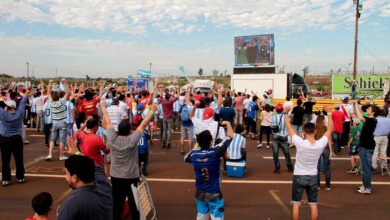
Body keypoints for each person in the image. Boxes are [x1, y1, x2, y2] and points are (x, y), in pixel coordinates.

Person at [101, 100, 157, 220]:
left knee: (117, 204)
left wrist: (103, 108)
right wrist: (153, 110)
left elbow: (108, 122)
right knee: (134, 203)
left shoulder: (112, 138)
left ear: (119, 130)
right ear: (129, 130)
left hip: (116, 176)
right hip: (131, 176)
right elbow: (143, 124)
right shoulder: (132, 140)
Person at [284, 104, 333, 220]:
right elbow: (330, 129)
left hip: (299, 175)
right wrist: (330, 113)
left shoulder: (300, 142)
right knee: (313, 204)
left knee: (296, 204)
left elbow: (289, 128)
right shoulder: (320, 144)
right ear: (315, 132)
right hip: (313, 176)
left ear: (304, 132)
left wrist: (286, 114)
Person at [185, 121, 234, 220]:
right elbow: (230, 136)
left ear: (198, 142)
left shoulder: (193, 154)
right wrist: (228, 124)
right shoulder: (215, 152)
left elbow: (186, 158)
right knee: (217, 217)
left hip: (200, 192)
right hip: (214, 193)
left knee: (201, 215)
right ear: (211, 141)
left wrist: (197, 145)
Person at [57, 155, 113, 220]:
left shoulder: (71, 204)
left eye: (66, 173)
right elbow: (95, 167)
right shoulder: (104, 186)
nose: (65, 176)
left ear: (74, 178)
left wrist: (59, 214)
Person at [0, 90, 28, 186]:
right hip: (17, 138)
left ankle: (6, 179)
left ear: (7, 107)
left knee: (5, 160)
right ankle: (20, 177)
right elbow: (23, 101)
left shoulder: (3, 114)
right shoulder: (19, 113)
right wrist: (27, 91)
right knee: (19, 159)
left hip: (5, 139)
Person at [354, 103, 379, 194]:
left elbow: (361, 117)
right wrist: (357, 106)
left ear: (373, 112)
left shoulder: (371, 121)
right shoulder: (370, 120)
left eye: (369, 109)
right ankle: (365, 186)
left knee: (366, 169)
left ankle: (367, 188)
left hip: (366, 147)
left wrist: (356, 106)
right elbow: (361, 117)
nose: (367, 109)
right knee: (365, 168)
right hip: (365, 146)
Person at [45, 79, 70, 161]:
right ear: (59, 96)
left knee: (52, 139)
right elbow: (68, 92)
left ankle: (50, 154)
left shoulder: (50, 102)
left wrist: (50, 83)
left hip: (54, 123)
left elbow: (48, 93)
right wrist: (65, 82)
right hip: (62, 123)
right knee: (62, 140)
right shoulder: (62, 102)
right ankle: (61, 155)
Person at [271, 104, 293, 173]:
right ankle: (289, 167)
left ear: (276, 110)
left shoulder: (273, 117)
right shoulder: (286, 117)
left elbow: (271, 126)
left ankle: (277, 168)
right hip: (284, 137)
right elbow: (289, 125)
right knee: (287, 153)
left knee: (275, 153)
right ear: (282, 110)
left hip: (275, 136)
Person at [315, 115, 333, 190]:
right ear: (322, 121)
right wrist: (331, 151)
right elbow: (329, 140)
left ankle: (318, 185)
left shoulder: (315, 129)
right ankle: (328, 185)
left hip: (317, 148)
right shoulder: (326, 128)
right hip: (325, 148)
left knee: (317, 168)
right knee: (327, 168)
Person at [371, 109, 390, 173]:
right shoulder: (388, 119)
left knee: (375, 152)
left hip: (376, 137)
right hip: (385, 136)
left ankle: (373, 167)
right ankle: (384, 167)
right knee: (383, 152)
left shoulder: (376, 119)